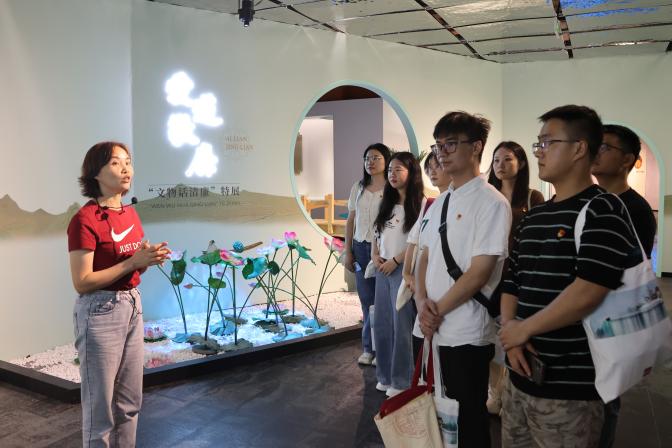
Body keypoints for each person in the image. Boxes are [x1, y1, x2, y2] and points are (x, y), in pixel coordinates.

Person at [499, 105, 639, 448]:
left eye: (548, 142)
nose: (539, 152)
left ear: (579, 148)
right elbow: (512, 279)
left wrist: (523, 330)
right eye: (538, 143)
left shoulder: (603, 209)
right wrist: (511, 334)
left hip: (570, 390)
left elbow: (589, 290)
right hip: (518, 379)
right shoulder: (535, 216)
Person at [415, 111, 511, 448]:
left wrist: (435, 310)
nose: (442, 152)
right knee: (436, 418)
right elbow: (423, 257)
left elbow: (479, 272)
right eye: (438, 145)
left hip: (466, 331)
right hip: (430, 328)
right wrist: (421, 303)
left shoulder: (492, 202)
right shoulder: (440, 201)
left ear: (476, 147)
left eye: (451, 144)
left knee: (468, 421)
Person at [67, 141, 170, 447]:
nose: (126, 169)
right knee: (100, 412)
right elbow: (82, 281)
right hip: (99, 313)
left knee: (129, 404)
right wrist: (132, 263)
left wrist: (147, 259)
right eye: (115, 163)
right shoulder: (84, 220)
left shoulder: (129, 214)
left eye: (128, 161)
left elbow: (130, 266)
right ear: (95, 173)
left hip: (132, 305)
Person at [591, 124, 657, 448]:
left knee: (606, 395)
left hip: (611, 314)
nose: (595, 151)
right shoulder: (593, 201)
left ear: (627, 160)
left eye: (604, 147)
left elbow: (624, 271)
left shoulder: (636, 209)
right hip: (586, 311)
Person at [485, 141, 545, 415]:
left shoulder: (533, 198)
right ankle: (495, 392)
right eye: (496, 160)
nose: (500, 165)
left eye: (507, 159)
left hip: (518, 278)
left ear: (520, 163)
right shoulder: (487, 196)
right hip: (489, 276)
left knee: (512, 335)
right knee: (490, 336)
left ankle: (510, 392)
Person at [371, 151, 424, 397]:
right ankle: (384, 376)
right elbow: (376, 233)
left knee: (401, 326)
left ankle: (402, 380)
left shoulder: (421, 204)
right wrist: (375, 255)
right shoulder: (386, 202)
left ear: (411, 173)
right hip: (382, 268)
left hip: (402, 270)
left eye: (398, 169)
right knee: (382, 324)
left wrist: (396, 261)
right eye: (390, 169)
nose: (392, 174)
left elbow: (418, 242)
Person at [342, 143, 392, 366]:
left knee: (383, 301)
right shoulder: (359, 187)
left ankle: (383, 349)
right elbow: (350, 220)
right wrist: (348, 251)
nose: (370, 162)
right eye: (367, 158)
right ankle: (368, 348)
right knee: (366, 300)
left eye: (376, 158)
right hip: (361, 248)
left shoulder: (392, 187)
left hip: (384, 250)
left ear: (386, 160)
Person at [405, 152, 452, 359]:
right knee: (422, 351)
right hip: (423, 289)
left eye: (437, 166)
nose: (433, 171)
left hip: (442, 291)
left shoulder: (457, 203)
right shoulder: (430, 203)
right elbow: (415, 242)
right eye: (429, 168)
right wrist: (407, 274)